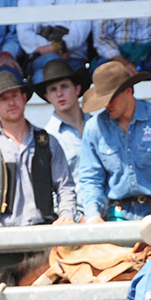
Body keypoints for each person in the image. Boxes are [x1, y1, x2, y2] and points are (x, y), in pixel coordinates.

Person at [0, 70, 77, 228]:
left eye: (15, 95)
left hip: (43, 233)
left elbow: (65, 186)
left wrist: (65, 216)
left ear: (24, 98)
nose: (11, 103)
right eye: (3, 99)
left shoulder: (48, 142)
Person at [78, 60, 151, 222]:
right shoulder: (94, 128)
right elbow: (90, 178)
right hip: (116, 215)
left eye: (111, 98)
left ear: (128, 91)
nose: (107, 105)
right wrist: (93, 215)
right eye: (103, 100)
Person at [35, 58, 89, 205]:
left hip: (112, 212)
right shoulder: (46, 139)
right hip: (75, 217)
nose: (59, 93)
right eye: (53, 89)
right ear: (47, 97)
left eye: (64, 86)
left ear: (78, 89)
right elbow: (48, 190)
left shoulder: (99, 126)